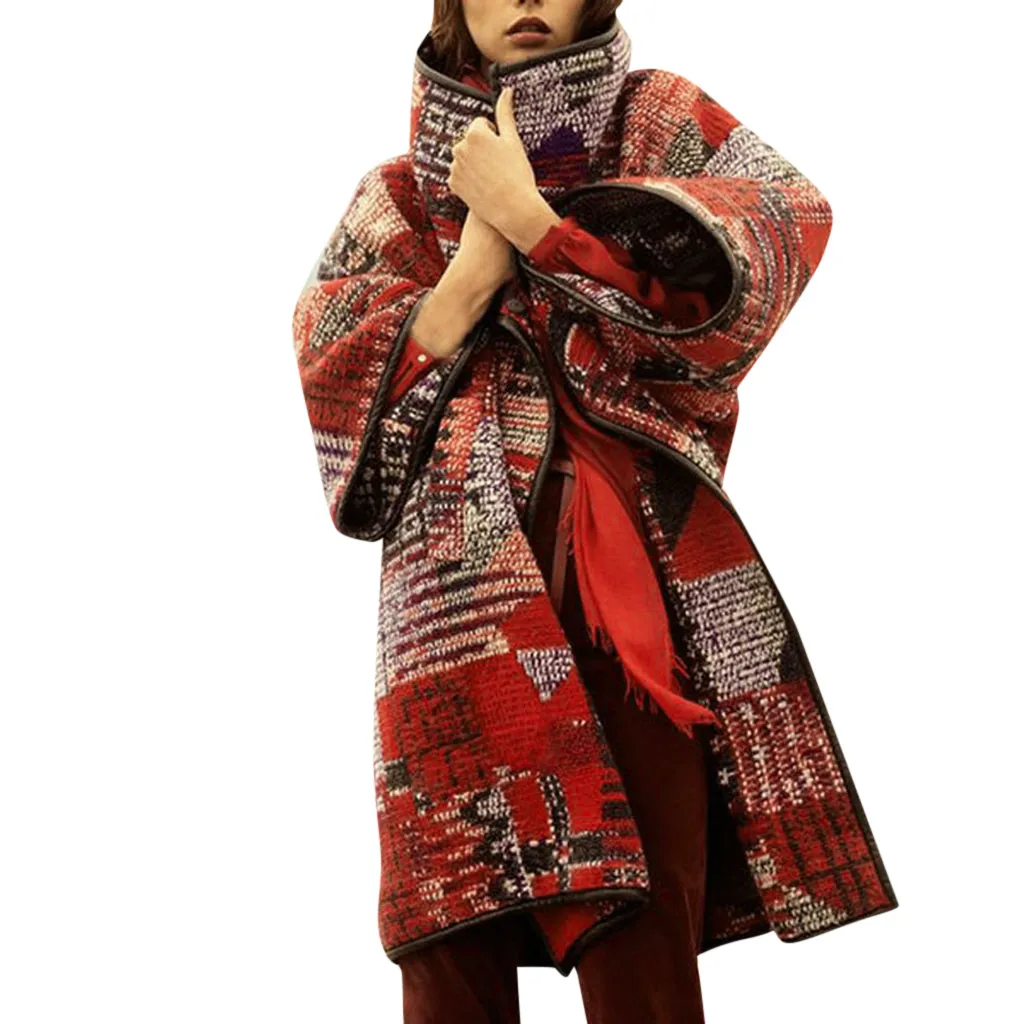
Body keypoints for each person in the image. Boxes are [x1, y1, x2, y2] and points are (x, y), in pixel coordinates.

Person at [396, 2, 715, 1021]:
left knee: (642, 927)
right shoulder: (395, 198)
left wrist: (541, 225)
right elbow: (348, 402)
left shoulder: (659, 124)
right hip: (451, 621)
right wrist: (478, 259)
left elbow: (742, 285)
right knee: (452, 930)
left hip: (624, 594)